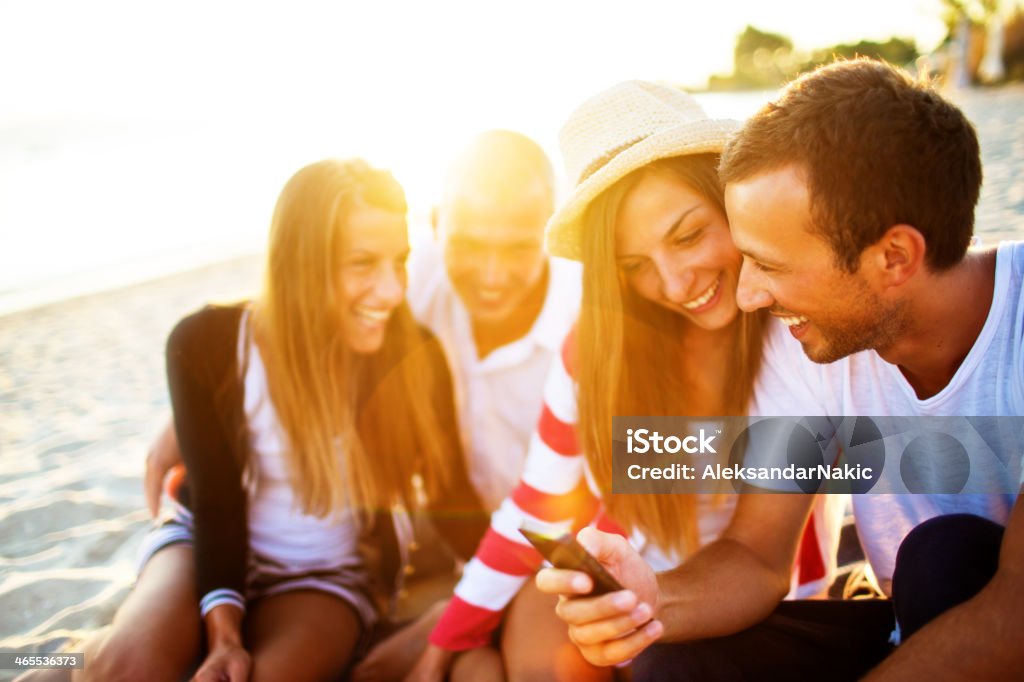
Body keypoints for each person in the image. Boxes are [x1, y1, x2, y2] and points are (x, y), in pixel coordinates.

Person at [536, 60, 1023, 680]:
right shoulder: (807, 345)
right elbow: (757, 555)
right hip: (907, 630)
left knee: (943, 556)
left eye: (771, 265)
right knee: (670, 661)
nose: (747, 297)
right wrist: (653, 598)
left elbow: (1014, 613)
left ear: (894, 257)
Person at [407, 81, 847, 682]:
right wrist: (439, 645)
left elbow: (761, 559)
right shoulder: (594, 350)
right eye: (634, 266)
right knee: (523, 642)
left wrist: (647, 604)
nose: (673, 284)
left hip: (757, 610)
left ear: (728, 197)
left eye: (688, 235)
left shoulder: (796, 335)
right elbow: (535, 503)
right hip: (630, 584)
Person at [139, 131, 582, 681]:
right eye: (470, 244)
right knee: (119, 663)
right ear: (438, 227)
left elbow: (672, 458)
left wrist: (461, 614)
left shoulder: (588, 323)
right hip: (465, 535)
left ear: (555, 229)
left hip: (543, 541)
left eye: (517, 247)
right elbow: (296, 305)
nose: (492, 275)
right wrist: (187, 415)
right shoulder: (411, 279)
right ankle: (43, 667)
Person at [38, 159, 488, 682]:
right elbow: (216, 500)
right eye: (363, 264)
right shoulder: (206, 344)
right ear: (300, 262)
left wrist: (518, 574)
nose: (391, 290)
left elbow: (451, 496)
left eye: (400, 262)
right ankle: (73, 656)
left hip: (325, 575)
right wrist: (224, 637)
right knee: (128, 667)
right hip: (203, 541)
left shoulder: (415, 357)